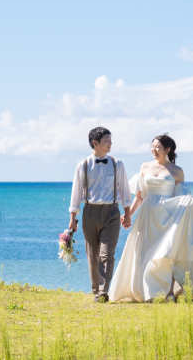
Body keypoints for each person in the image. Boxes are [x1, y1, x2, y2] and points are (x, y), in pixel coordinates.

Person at [108, 134, 193, 302]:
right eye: (152, 146)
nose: (154, 150)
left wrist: (191, 206)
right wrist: (128, 214)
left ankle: (169, 292)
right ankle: (147, 291)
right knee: (144, 253)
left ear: (167, 150)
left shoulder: (177, 171)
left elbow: (182, 197)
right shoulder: (145, 167)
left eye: (158, 147)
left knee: (168, 254)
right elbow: (139, 196)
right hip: (148, 215)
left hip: (168, 216)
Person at [68, 127, 133, 302]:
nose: (110, 143)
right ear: (95, 143)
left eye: (111, 140)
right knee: (93, 254)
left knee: (107, 254)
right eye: (107, 140)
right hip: (90, 212)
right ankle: (96, 290)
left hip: (112, 212)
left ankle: (104, 290)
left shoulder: (118, 164)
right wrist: (72, 219)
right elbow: (76, 193)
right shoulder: (82, 165)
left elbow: (125, 191)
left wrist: (127, 214)